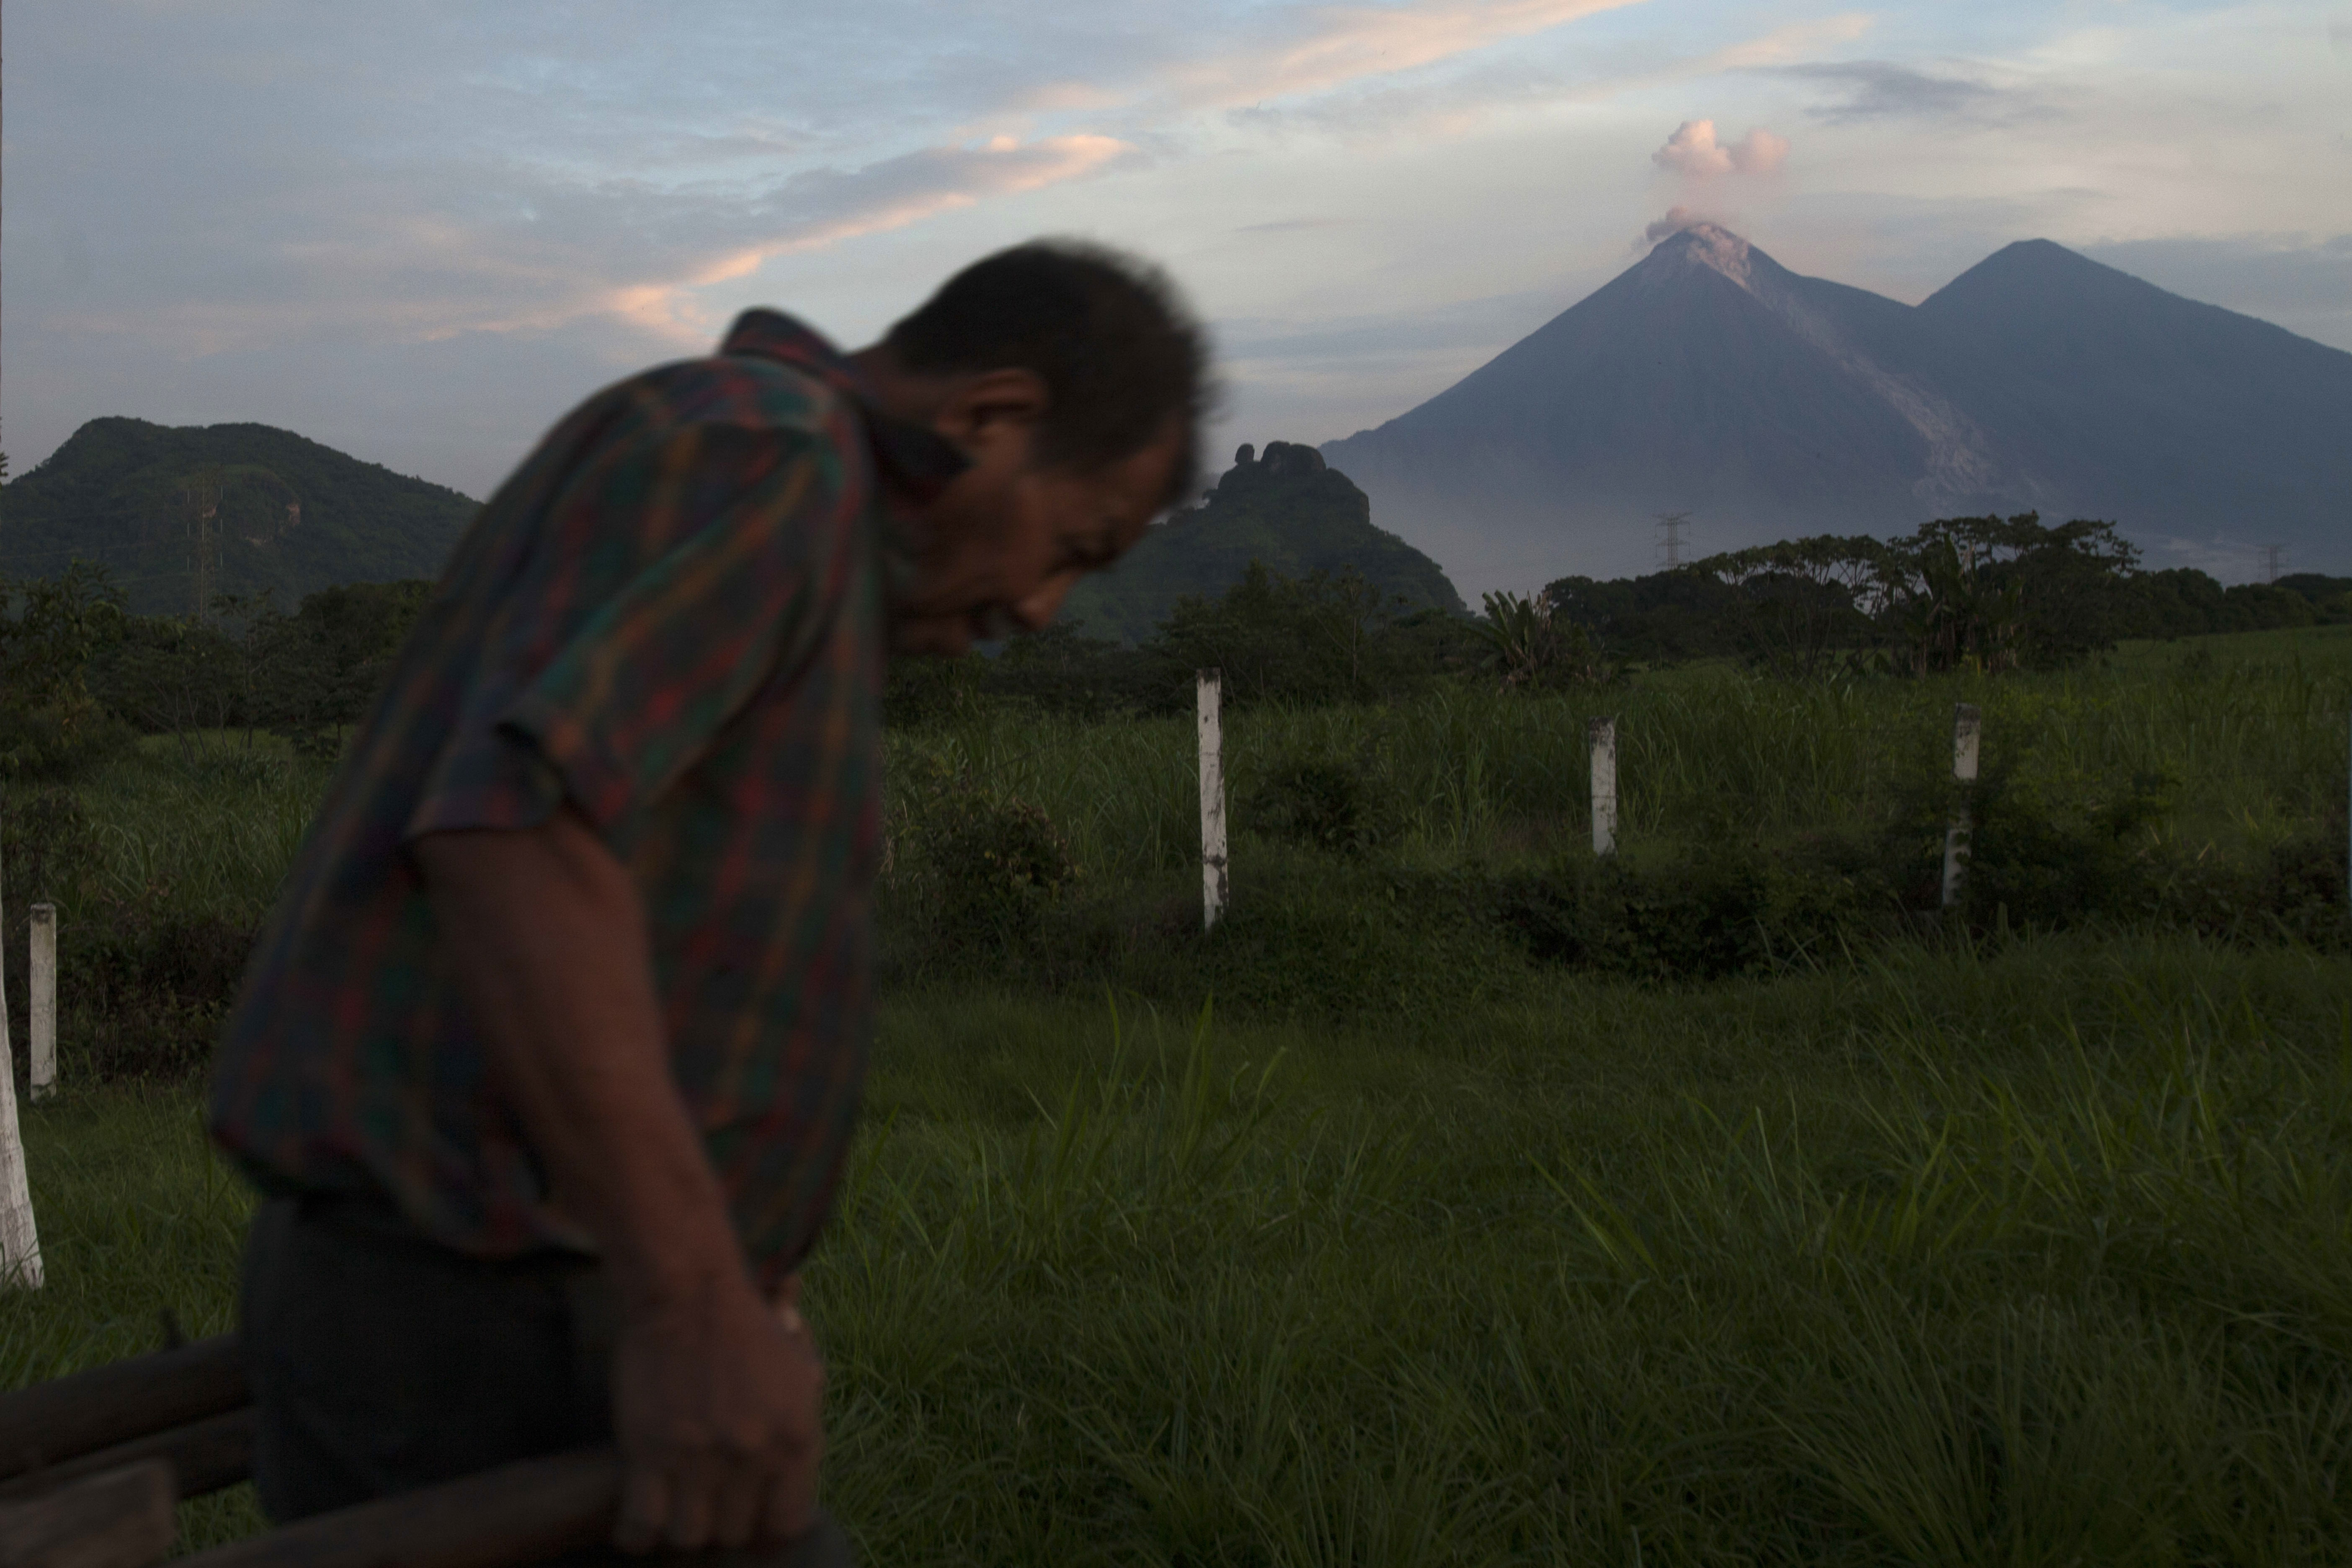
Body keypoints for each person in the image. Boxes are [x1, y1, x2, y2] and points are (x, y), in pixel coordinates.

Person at [207, 240, 1210, 1560]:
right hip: (476, 1305)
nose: (1039, 605)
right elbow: (518, 831)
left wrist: (736, 1279)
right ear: (993, 418)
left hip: (543, 1292)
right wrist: (693, 1305)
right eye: (1072, 546)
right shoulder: (770, 456)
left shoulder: (787, 505)